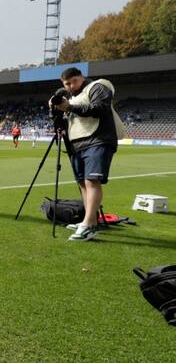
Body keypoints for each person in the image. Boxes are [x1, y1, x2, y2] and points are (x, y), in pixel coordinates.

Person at [50, 67, 126, 242]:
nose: (69, 86)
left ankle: (89, 224)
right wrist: (57, 110)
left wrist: (69, 106)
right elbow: (67, 121)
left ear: (81, 77)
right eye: (66, 84)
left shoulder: (98, 87)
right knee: (83, 183)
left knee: (92, 181)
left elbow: (100, 108)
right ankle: (88, 221)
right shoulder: (73, 97)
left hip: (98, 139)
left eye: (72, 82)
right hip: (77, 143)